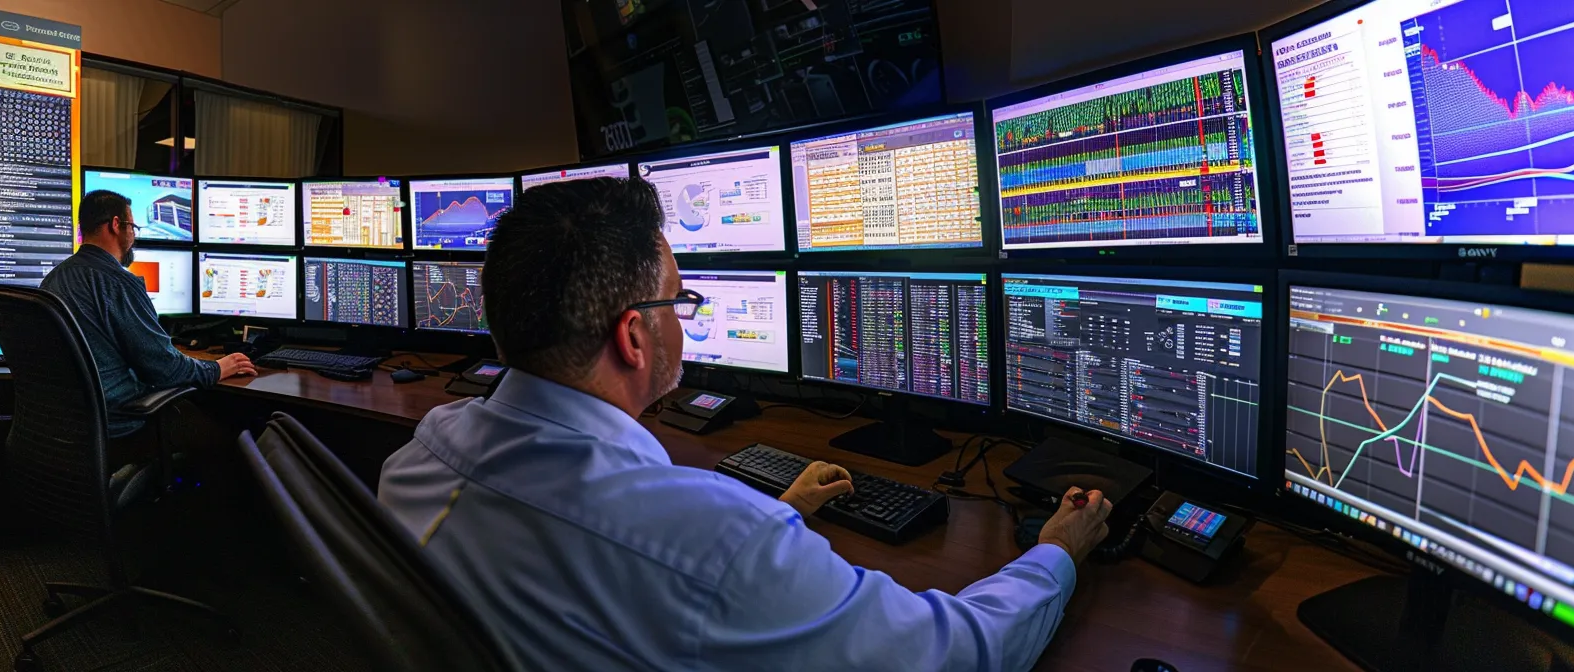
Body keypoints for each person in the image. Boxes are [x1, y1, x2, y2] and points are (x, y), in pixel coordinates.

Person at [378, 177, 1112, 670]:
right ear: (634, 337)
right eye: (679, 300)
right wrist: (1056, 554)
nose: (685, 319)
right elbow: (956, 653)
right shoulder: (716, 541)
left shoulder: (420, 458)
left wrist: (771, 521)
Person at [41, 190, 255, 438]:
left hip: (67, 427)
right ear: (115, 225)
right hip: (121, 423)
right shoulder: (118, 282)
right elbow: (164, 368)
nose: (133, 234)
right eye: (132, 226)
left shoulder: (52, 280)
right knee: (230, 432)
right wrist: (217, 369)